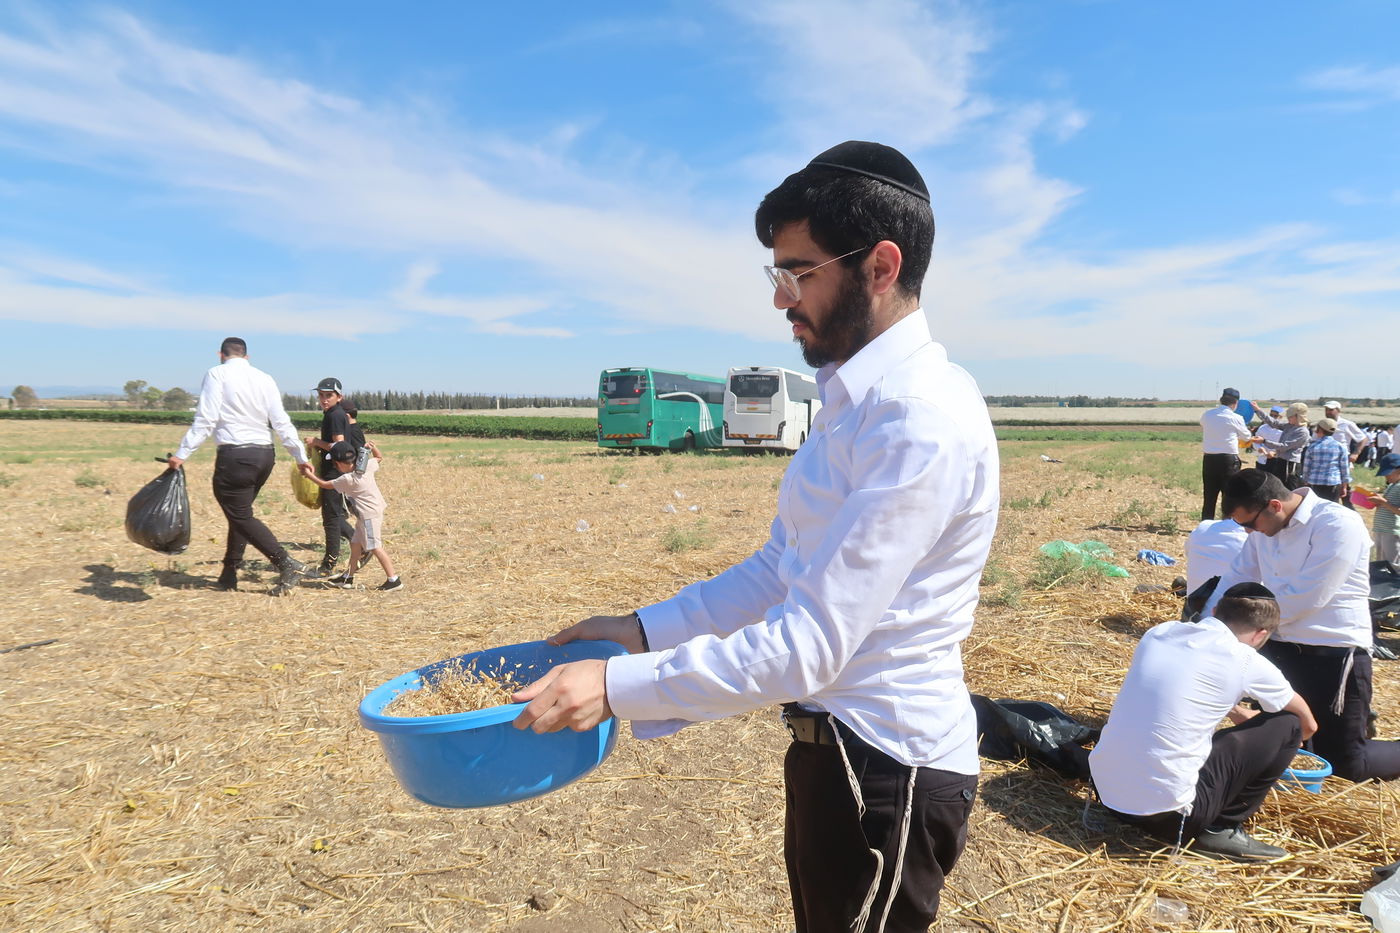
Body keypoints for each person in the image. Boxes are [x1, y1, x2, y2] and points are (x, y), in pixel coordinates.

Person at [511, 141, 998, 933]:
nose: (780, 299)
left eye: (798, 273)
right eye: (777, 273)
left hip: (889, 767)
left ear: (880, 266)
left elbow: (810, 644)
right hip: (835, 753)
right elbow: (781, 568)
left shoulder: (919, 419)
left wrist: (616, 686)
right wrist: (642, 631)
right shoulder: (852, 401)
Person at [1090, 583, 1316, 860]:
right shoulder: (1245, 659)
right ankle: (1222, 827)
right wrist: (1273, 747)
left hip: (1107, 793)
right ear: (1261, 634)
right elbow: (1308, 725)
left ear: (1215, 610)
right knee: (1288, 724)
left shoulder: (1161, 633)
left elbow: (1182, 691)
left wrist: (1239, 715)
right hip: (1171, 818)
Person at [1208, 469, 1400, 782]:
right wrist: (1209, 627)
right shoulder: (1263, 530)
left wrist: (1235, 631)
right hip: (1280, 648)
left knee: (1344, 766)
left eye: (1248, 523)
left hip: (1333, 651)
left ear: (1274, 505)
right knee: (1282, 747)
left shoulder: (1337, 523)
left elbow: (1306, 597)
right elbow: (1236, 577)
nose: (1247, 532)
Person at [165, 337, 311, 596]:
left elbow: (206, 418)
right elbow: (281, 420)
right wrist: (300, 456)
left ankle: (286, 563)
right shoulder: (265, 378)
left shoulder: (217, 374)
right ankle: (229, 573)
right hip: (264, 455)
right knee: (240, 515)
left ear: (221, 354)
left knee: (240, 515)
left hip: (236, 455)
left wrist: (182, 453)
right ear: (246, 356)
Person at [298, 440, 402, 590]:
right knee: (355, 544)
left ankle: (394, 580)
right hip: (369, 513)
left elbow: (325, 485)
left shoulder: (348, 479)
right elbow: (379, 458)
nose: (335, 466)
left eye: (334, 463)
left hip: (368, 515)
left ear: (339, 464)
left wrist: (308, 474)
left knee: (375, 547)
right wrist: (373, 448)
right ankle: (348, 577)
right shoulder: (367, 466)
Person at [304, 378, 356, 578]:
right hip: (335, 469)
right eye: (321, 395)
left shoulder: (334, 415)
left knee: (331, 519)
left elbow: (339, 447)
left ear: (339, 397)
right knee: (332, 516)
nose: (324, 399)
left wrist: (316, 441)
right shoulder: (334, 413)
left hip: (335, 471)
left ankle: (329, 564)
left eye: (329, 395)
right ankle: (360, 544)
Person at [1199, 388, 1252, 520]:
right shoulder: (1236, 418)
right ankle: (1226, 524)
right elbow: (1246, 437)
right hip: (1228, 460)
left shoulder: (1207, 415)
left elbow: (1204, 425)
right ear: (1236, 403)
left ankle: (1206, 523)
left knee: (1209, 495)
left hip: (1209, 459)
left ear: (1221, 400)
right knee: (1229, 496)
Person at [1182, 518, 1248, 615]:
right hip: (1232, 619)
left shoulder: (1203, 527)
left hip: (1192, 613)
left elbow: (1188, 553)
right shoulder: (1254, 537)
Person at [1325, 402, 1370, 510]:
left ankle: (1350, 512)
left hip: (1342, 462)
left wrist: (1356, 453)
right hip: (1325, 462)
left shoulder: (1347, 424)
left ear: (1338, 410)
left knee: (1343, 490)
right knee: (1329, 491)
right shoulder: (1323, 424)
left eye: (1331, 410)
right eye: (1326, 409)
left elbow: (1363, 439)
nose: (1328, 412)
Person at [1254, 402, 1310, 486]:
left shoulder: (1302, 432)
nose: (1288, 418)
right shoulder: (1290, 426)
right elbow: (1274, 423)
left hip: (1290, 464)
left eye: (1290, 416)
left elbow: (1284, 446)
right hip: (1281, 461)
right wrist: (1258, 410)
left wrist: (1264, 441)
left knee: (1290, 488)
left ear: (1298, 416)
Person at [1300, 417, 1348, 502]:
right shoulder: (1340, 447)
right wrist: (1344, 486)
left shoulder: (1312, 447)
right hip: (1333, 482)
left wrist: (1305, 481)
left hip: (1315, 483)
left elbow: (1307, 467)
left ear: (1320, 430)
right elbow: (1344, 468)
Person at [1368, 453, 1400, 571]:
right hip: (1380, 528)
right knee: (1380, 564)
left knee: (1393, 564)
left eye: (1388, 473)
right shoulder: (1392, 485)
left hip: (1391, 530)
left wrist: (1383, 502)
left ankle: (1395, 582)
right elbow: (1387, 504)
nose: (1386, 476)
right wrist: (1378, 502)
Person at [1252, 405, 1284, 473]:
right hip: (1262, 460)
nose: (1272, 417)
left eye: (1275, 416)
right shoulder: (1262, 428)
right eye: (1271, 415)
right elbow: (1255, 441)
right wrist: (1259, 448)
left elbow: (1286, 446)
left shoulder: (1283, 430)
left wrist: (1275, 453)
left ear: (1281, 417)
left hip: (1277, 461)